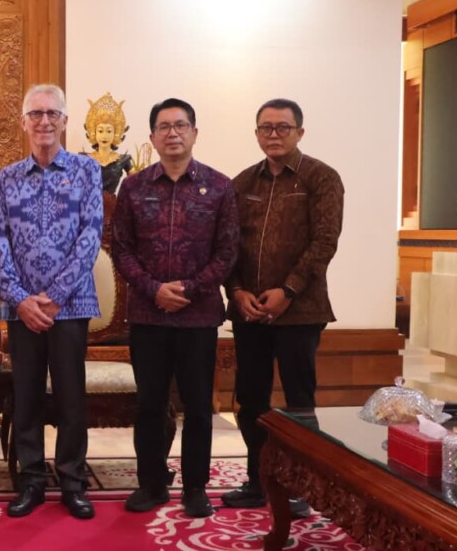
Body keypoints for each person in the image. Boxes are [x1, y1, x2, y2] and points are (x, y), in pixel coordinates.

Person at [111, 98, 238, 519]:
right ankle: (151, 483)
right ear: (152, 137)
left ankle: (196, 488)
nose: (173, 133)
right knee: (149, 405)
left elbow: (227, 252)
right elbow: (121, 249)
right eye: (164, 127)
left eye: (180, 125)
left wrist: (189, 288)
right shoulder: (133, 187)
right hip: (148, 316)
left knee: (198, 407)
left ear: (194, 133)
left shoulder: (220, 187)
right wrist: (153, 289)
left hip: (198, 317)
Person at [221, 98, 344, 516]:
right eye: (265, 128)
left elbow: (324, 242)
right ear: (256, 133)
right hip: (249, 311)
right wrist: (237, 292)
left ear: (299, 132)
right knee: (250, 399)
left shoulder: (322, 178)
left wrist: (287, 291)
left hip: (301, 310)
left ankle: (302, 489)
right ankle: (258, 481)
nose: (273, 135)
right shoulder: (241, 183)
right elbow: (228, 247)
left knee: (299, 402)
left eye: (282, 127)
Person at [0, 84, 103, 520]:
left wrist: (54, 297)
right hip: (21, 310)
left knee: (71, 399)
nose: (44, 121)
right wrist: (21, 300)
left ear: (65, 121)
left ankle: (73, 482)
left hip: (71, 307)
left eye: (52, 113)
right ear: (23, 122)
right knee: (27, 398)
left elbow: (91, 236)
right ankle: (32, 481)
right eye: (35, 114)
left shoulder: (86, 171)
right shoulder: (7, 177)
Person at [84, 92, 134, 194]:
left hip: (113, 203)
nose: (104, 136)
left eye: (109, 131)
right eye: (100, 131)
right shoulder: (85, 159)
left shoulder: (122, 160)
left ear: (116, 133)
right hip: (90, 203)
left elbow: (137, 182)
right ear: (94, 132)